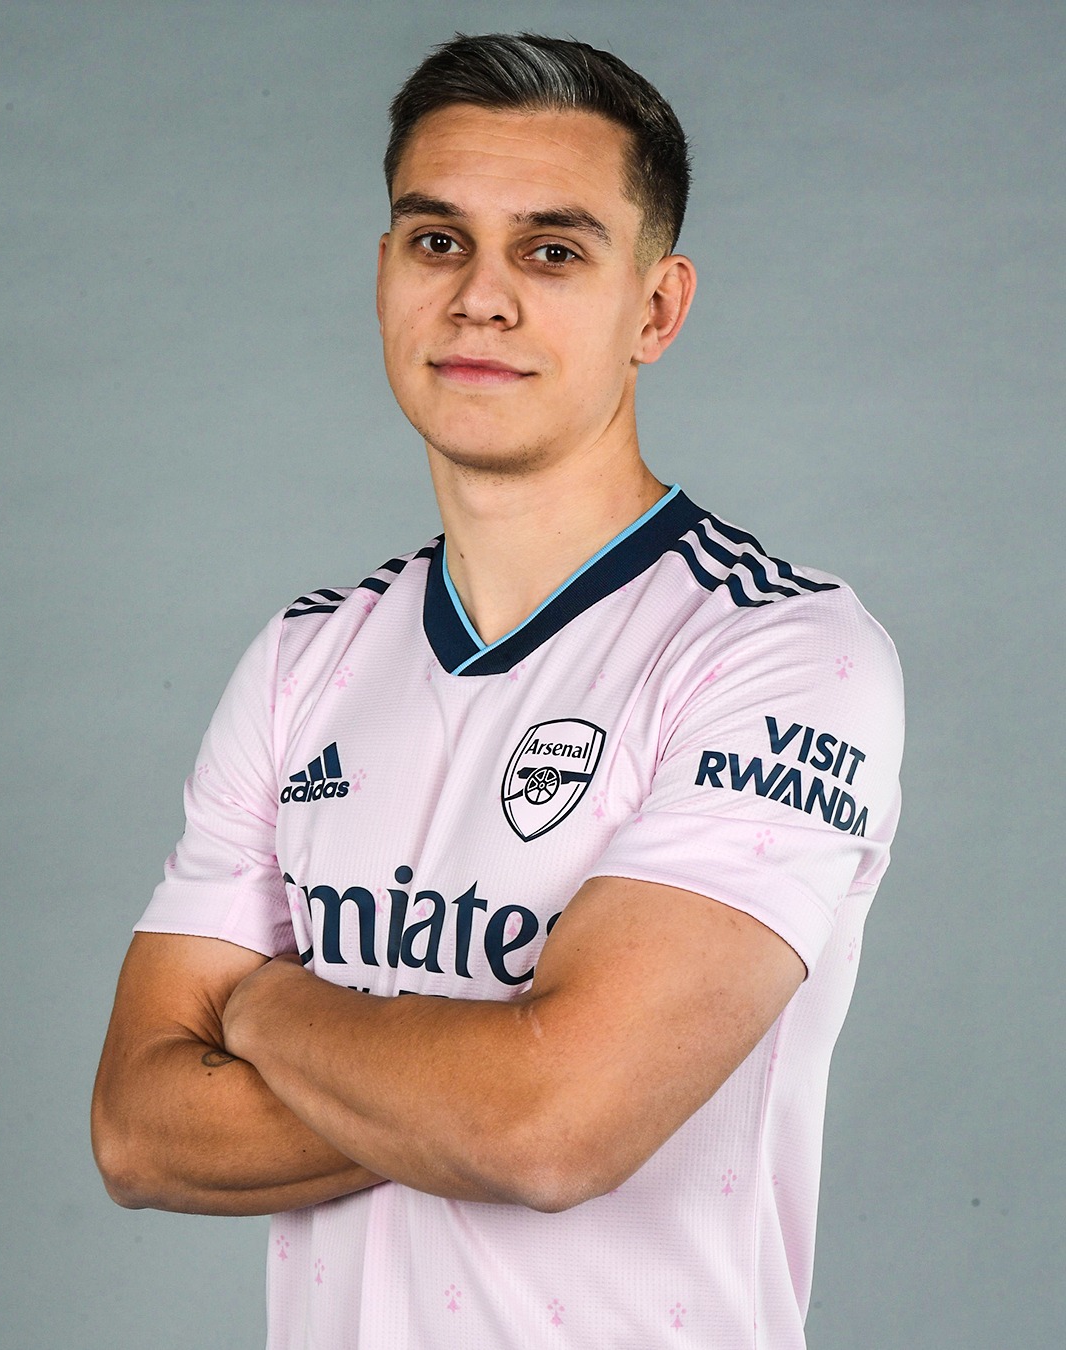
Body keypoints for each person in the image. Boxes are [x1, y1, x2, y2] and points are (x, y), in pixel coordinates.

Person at [92, 32, 903, 1350]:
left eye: (553, 251)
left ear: (657, 309)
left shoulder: (777, 650)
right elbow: (139, 1129)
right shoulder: (305, 659)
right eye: (438, 241)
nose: (481, 298)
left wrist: (262, 1005)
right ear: (385, 273)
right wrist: (488, 1063)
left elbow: (551, 1127)